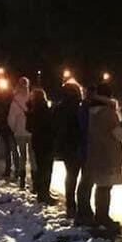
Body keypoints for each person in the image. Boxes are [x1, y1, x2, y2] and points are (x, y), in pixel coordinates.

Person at [81, 82, 122, 233]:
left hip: (94, 152)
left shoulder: (91, 110)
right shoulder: (108, 113)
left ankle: (99, 215)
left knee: (99, 186)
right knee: (105, 187)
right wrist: (121, 126)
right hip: (108, 153)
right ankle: (103, 216)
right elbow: (118, 135)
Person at [53, 82, 84, 217]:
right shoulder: (79, 107)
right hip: (78, 144)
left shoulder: (59, 108)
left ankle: (70, 204)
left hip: (65, 146)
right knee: (80, 176)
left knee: (70, 176)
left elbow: (54, 126)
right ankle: (80, 205)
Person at [27, 87, 56, 203]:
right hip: (47, 142)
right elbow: (51, 125)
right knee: (47, 169)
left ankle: (41, 193)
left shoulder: (32, 110)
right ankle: (45, 193)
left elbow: (28, 128)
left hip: (37, 142)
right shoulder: (46, 109)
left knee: (40, 168)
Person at [7, 77, 31, 190]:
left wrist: (14, 129)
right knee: (33, 156)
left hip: (20, 131)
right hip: (31, 132)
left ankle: (22, 179)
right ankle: (35, 182)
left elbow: (11, 118)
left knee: (22, 156)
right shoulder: (31, 98)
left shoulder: (15, 100)